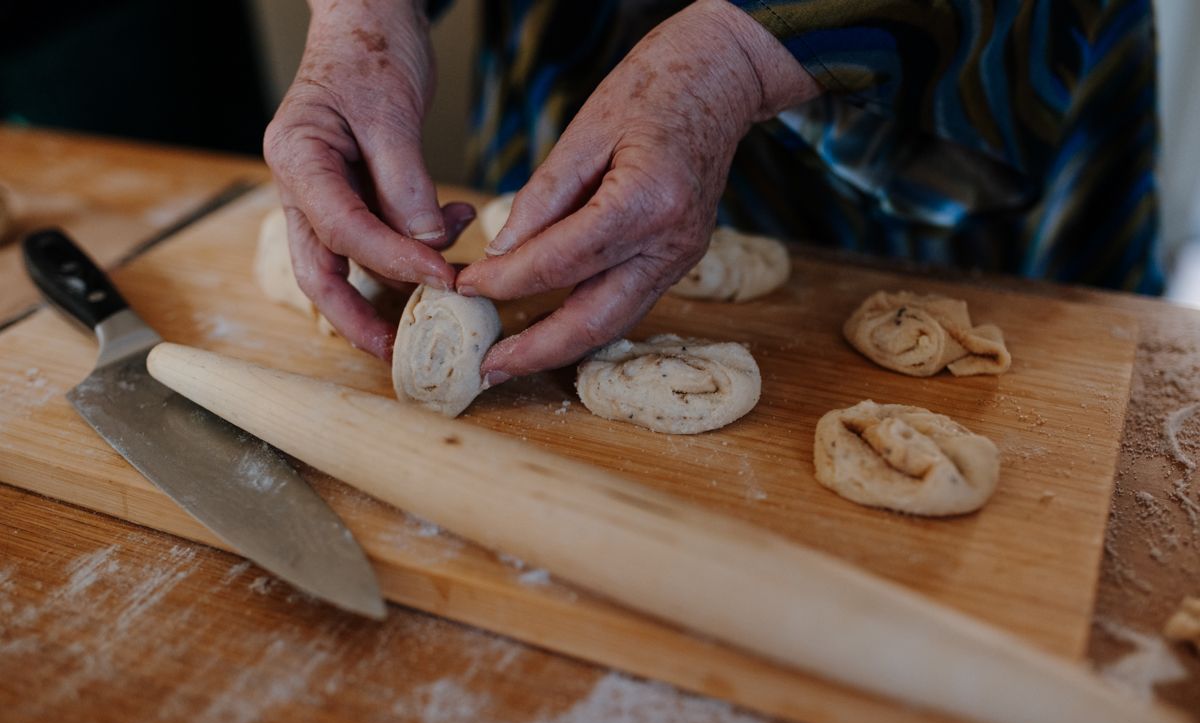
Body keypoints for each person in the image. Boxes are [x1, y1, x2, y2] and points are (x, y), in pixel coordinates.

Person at [264, 0, 1161, 386]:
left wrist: (749, 49)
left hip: (936, 78)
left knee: (1000, 381)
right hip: (587, 32)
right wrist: (361, 20)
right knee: (558, 238)